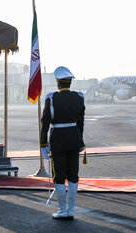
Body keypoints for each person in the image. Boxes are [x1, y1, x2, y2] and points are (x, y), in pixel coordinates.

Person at [40, 66, 85, 220]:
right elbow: (81, 123)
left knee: (59, 176)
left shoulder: (51, 98)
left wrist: (43, 143)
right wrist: (80, 141)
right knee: (73, 175)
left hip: (58, 139)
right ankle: (71, 210)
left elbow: (45, 122)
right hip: (74, 139)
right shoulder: (79, 97)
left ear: (58, 83)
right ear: (69, 83)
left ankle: (62, 211)